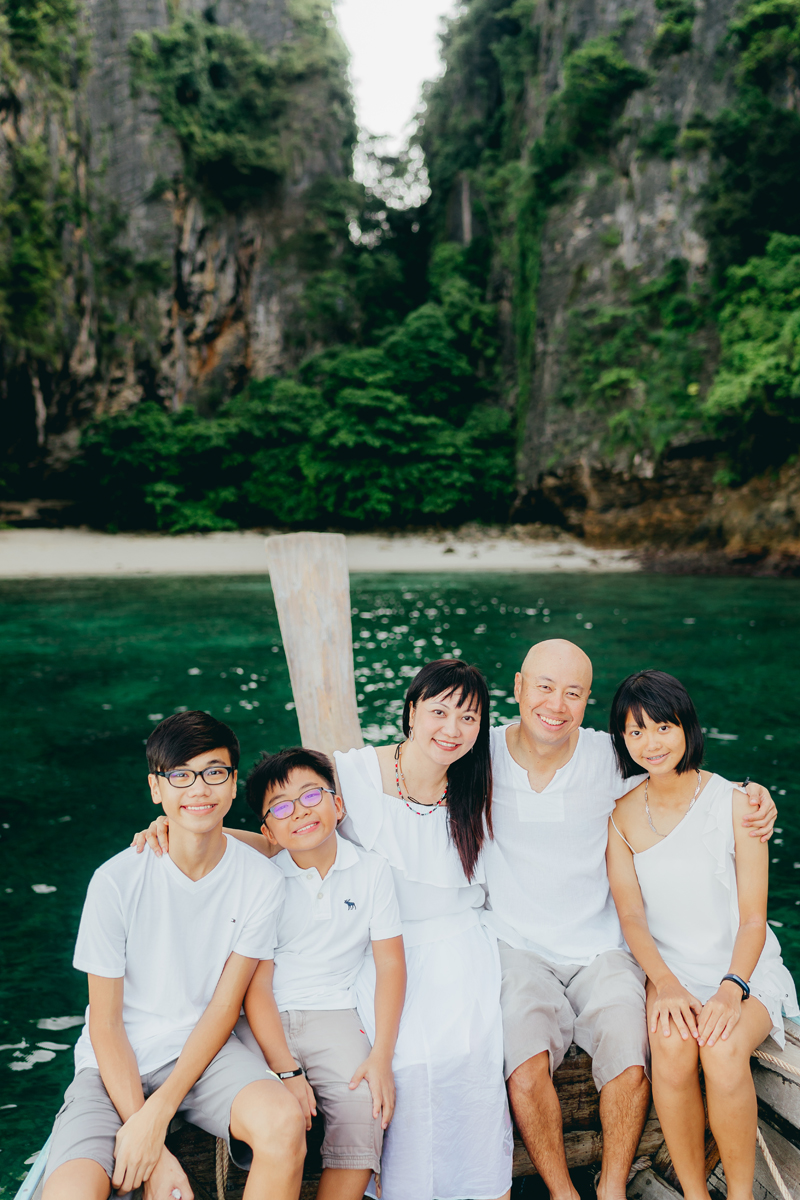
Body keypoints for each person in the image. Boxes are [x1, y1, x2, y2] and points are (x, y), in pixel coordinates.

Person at [481, 639, 777, 1200]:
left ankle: (664, 1190)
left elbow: (750, 912)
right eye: (544, 687)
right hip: (577, 957)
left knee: (674, 1049)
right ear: (518, 688)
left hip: (670, 960)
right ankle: (624, 1193)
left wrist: (758, 797)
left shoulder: (645, 769)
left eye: (573, 693)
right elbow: (405, 768)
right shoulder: (485, 754)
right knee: (570, 1057)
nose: (556, 704)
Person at [44, 710, 305, 1200]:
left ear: (232, 786)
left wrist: (158, 1113)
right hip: (111, 1063)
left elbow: (226, 1007)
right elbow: (105, 1024)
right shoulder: (116, 881)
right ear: (155, 789)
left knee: (282, 1124)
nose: (199, 789)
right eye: (180, 775)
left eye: (214, 772)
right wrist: (154, 1149)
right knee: (69, 1192)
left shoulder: (260, 881)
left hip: (204, 1055)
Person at [606, 670, 798, 1200]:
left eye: (662, 726)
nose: (650, 743)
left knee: (720, 1048)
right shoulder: (620, 817)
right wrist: (664, 983)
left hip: (744, 967)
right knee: (669, 1050)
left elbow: (755, 920)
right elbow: (632, 919)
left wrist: (731, 988)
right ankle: (694, 1193)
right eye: (635, 731)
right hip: (670, 971)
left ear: (686, 726)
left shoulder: (737, 803)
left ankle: (738, 1194)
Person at [334, 658, 514, 1200]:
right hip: (380, 947)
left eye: (469, 718)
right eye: (439, 712)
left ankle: (483, 1189)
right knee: (404, 1060)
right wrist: (181, 830)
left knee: (471, 1052)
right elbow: (281, 830)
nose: (452, 730)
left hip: (460, 942)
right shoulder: (355, 774)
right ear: (411, 711)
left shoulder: (478, 785)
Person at [234, 746, 407, 1200]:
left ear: (339, 804)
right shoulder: (262, 880)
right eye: (282, 807)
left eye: (312, 796)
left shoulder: (372, 872)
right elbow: (256, 988)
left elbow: (390, 964)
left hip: (335, 1014)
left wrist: (381, 1056)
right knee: (270, 1118)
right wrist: (286, 1071)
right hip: (264, 1020)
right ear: (267, 830)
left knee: (365, 1107)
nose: (301, 812)